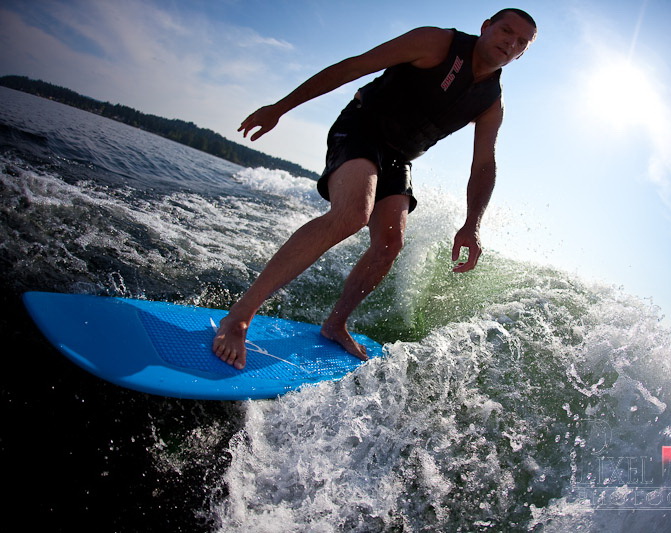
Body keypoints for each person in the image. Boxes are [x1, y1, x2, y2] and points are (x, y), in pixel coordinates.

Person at [213, 8, 537, 369]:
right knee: (352, 215)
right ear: (486, 27)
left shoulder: (491, 102)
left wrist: (472, 224)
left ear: (523, 53)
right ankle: (239, 317)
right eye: (506, 31)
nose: (511, 43)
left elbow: (484, 164)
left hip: (399, 157)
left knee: (389, 244)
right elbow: (354, 66)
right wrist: (280, 107)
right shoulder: (436, 42)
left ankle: (335, 324)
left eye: (521, 42)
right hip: (361, 127)